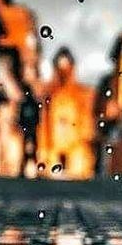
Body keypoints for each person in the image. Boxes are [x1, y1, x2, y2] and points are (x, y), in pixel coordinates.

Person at [41, 47, 97, 178]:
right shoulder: (48, 92)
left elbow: (86, 115)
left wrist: (87, 133)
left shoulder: (83, 93)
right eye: (60, 67)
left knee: (76, 172)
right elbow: (43, 118)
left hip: (75, 141)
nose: (63, 72)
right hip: (54, 142)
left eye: (66, 67)